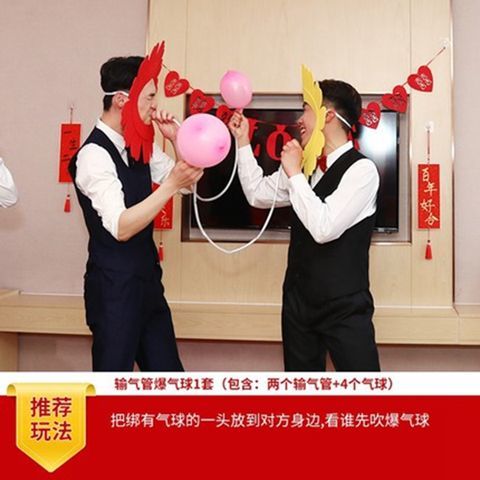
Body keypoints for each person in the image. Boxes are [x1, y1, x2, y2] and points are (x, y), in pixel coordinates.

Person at [228, 79, 380, 371]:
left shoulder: (362, 170)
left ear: (328, 116)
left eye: (306, 109)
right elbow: (257, 194)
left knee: (364, 389)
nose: (299, 119)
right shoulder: (305, 166)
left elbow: (324, 228)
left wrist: (295, 174)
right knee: (301, 390)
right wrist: (243, 141)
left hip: (344, 307)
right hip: (298, 303)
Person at [69, 54, 203, 371]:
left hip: (148, 283)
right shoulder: (93, 155)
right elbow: (121, 226)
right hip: (114, 289)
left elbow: (188, 185)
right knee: (112, 384)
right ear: (121, 100)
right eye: (150, 97)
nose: (155, 107)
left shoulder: (138, 143)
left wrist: (178, 141)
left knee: (170, 380)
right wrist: (170, 185)